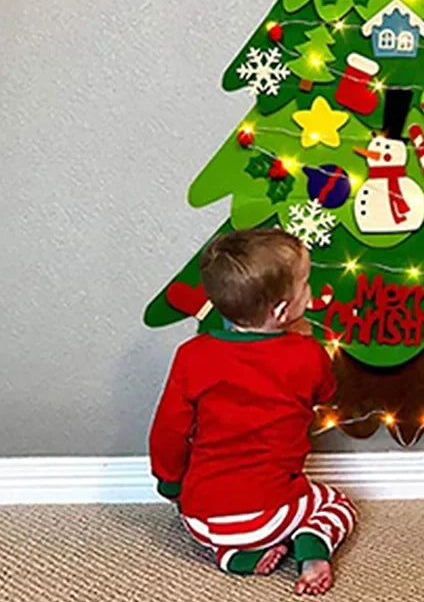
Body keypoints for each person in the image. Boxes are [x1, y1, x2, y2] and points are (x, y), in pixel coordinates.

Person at [149, 228, 356, 596]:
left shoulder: (191, 356)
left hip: (199, 515)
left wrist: (170, 482)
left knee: (218, 526)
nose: (310, 293)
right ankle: (312, 547)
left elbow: (167, 431)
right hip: (269, 513)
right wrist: (305, 341)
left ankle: (231, 555)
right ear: (281, 311)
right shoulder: (307, 355)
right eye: (305, 285)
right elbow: (325, 393)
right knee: (336, 504)